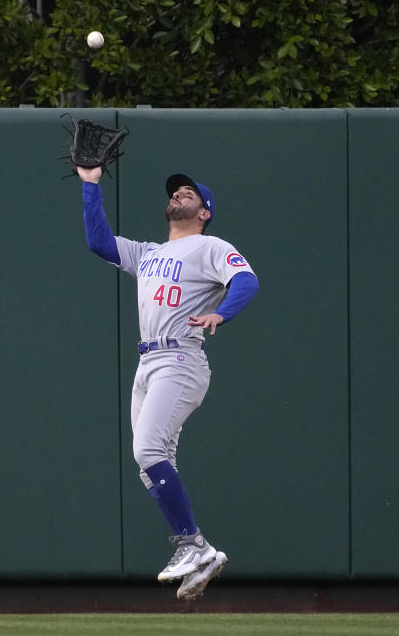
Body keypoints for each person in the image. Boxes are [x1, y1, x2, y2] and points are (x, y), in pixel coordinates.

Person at [77, 165, 259, 600]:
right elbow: (99, 242)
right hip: (148, 361)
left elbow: (246, 280)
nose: (178, 193)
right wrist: (89, 185)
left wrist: (221, 312)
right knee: (150, 463)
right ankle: (204, 553)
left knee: (148, 449)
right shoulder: (150, 253)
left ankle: (190, 544)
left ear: (205, 211)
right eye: (175, 190)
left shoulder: (210, 246)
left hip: (180, 357)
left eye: (189, 191)